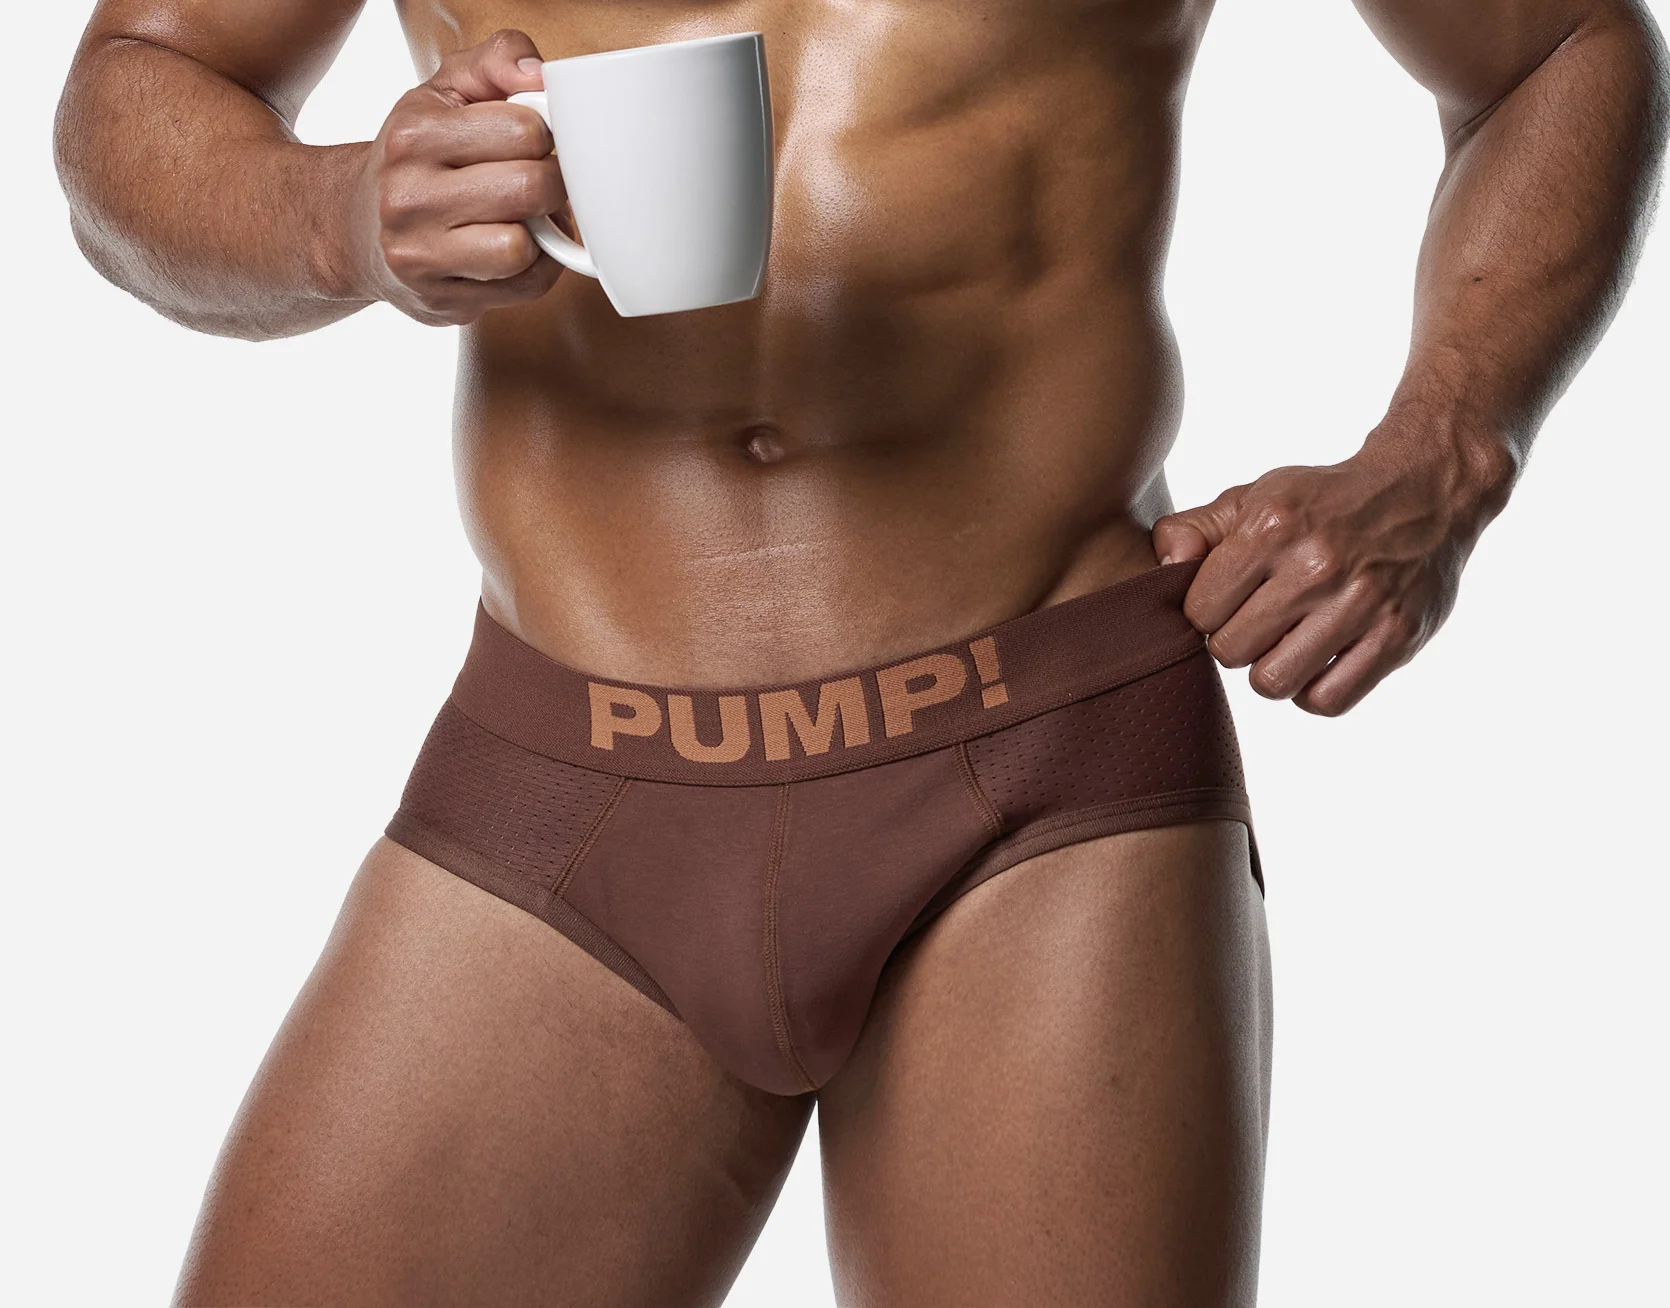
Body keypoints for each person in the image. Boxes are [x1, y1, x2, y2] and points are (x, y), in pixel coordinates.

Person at [54, 0, 1667, 1303]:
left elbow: (1557, 47)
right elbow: (145, 77)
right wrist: (335, 213)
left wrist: (1443, 450)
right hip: (572, 785)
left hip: (1039, 777)